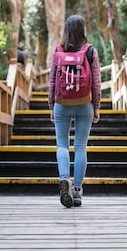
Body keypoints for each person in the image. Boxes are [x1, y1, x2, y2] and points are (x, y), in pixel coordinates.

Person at [48, 15, 101, 208]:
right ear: (83, 30)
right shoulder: (90, 51)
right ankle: (77, 191)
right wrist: (96, 107)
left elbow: (52, 81)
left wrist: (51, 105)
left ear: (66, 30)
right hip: (84, 103)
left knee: (62, 144)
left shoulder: (58, 51)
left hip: (62, 102)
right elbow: (96, 82)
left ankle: (64, 178)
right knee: (80, 147)